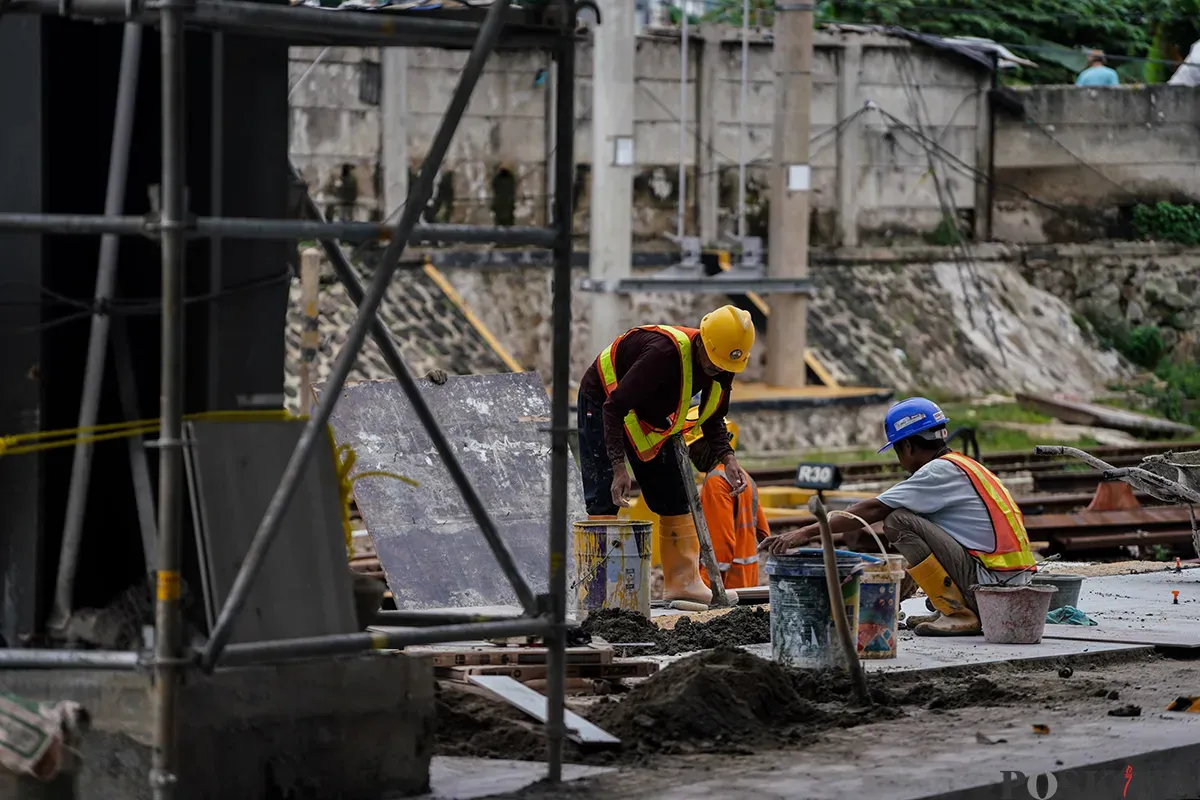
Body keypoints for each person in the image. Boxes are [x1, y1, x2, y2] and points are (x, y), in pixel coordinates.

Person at [762, 397, 1036, 636]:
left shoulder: (936, 473)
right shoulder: (964, 466)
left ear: (908, 446)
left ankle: (957, 614)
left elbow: (872, 510)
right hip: (1007, 587)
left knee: (898, 520)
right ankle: (950, 608)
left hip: (992, 590)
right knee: (913, 519)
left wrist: (805, 533)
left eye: (896, 450)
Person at [577, 305, 756, 605]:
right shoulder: (662, 355)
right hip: (605, 400)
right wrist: (619, 467)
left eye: (725, 367)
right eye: (714, 364)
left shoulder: (724, 363)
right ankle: (601, 593)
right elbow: (615, 408)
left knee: (674, 495)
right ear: (701, 341)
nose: (718, 370)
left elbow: (712, 416)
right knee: (605, 495)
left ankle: (683, 583)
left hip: (650, 411)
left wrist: (728, 457)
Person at [686, 414, 769, 591]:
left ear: (709, 445)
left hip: (727, 584)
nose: (691, 455)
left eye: (693, 448)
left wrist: (707, 586)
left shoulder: (716, 481)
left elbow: (721, 545)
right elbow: (763, 532)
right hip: (748, 579)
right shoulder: (744, 476)